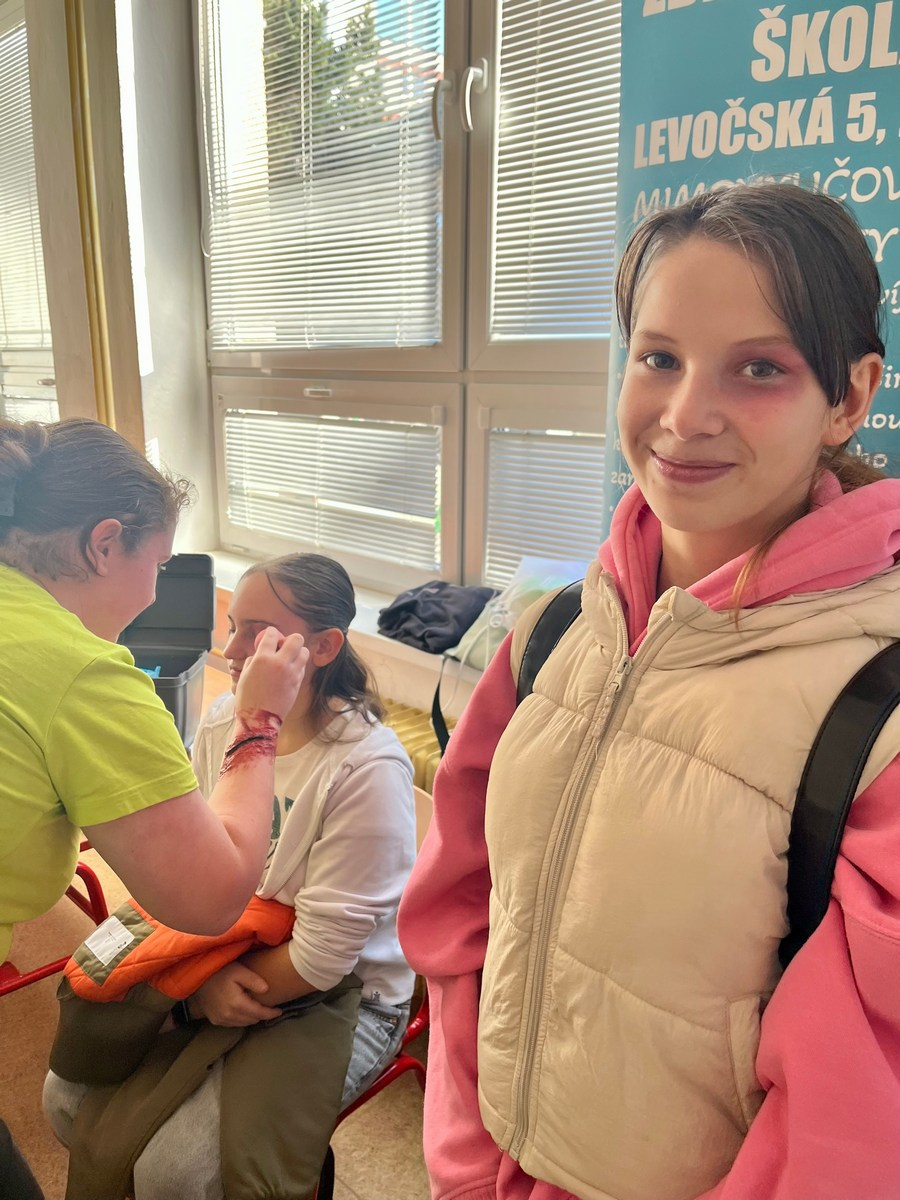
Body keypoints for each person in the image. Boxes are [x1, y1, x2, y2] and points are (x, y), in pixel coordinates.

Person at [398, 182, 900, 1200]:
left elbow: (846, 1123)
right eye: (659, 358)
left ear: (849, 398)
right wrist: (467, 1160)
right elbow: (462, 916)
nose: (684, 416)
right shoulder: (554, 631)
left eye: (759, 368)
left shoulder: (877, 706)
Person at [44, 552, 417, 1199]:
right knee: (65, 1096)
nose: (232, 649)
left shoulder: (366, 771)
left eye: (258, 632)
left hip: (341, 993)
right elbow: (192, 866)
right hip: (226, 947)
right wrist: (200, 984)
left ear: (324, 646)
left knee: (174, 1173)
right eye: (235, 626)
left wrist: (195, 993)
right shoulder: (225, 721)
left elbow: (323, 959)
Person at [0, 417, 307, 1198]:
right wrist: (258, 722)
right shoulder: (82, 674)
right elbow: (212, 895)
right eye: (160, 565)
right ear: (104, 544)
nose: (155, 592)